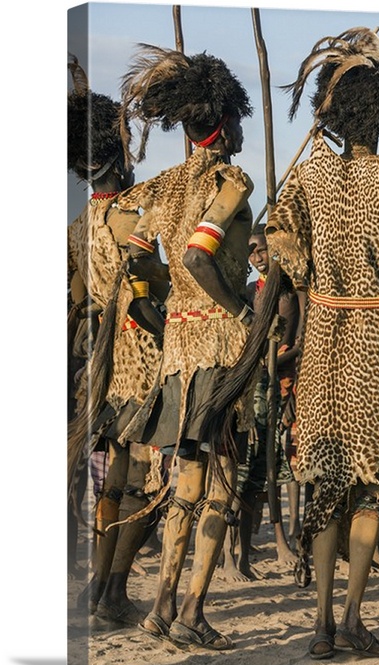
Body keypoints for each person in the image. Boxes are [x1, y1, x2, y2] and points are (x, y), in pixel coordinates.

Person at [263, 27, 379, 661]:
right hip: (373, 341)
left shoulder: (307, 179)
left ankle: (317, 626)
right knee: (368, 489)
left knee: (326, 485)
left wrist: (313, 273)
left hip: (321, 345)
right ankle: (354, 619)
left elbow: (279, 241)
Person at [115, 45, 266, 651]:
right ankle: (192, 612)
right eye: (237, 124)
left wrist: (154, 302)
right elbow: (199, 255)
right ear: (226, 123)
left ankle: (160, 607)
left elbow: (123, 230)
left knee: (189, 478)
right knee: (221, 480)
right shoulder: (230, 179)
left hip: (176, 344)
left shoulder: (167, 184)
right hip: (219, 346)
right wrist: (242, 309)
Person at [66, 56, 168, 627]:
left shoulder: (78, 226)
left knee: (113, 474)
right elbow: (154, 287)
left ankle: (100, 586)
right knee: (142, 482)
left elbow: (79, 297)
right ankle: (113, 592)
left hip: (100, 363)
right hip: (142, 352)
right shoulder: (139, 215)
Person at [222, 228, 303, 580]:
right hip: (252, 385)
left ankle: (275, 543)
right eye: (251, 251)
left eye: (263, 250)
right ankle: (229, 554)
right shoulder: (245, 293)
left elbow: (299, 341)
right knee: (242, 470)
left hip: (277, 381)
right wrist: (260, 363)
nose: (257, 257)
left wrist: (277, 364)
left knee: (268, 471)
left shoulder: (289, 291)